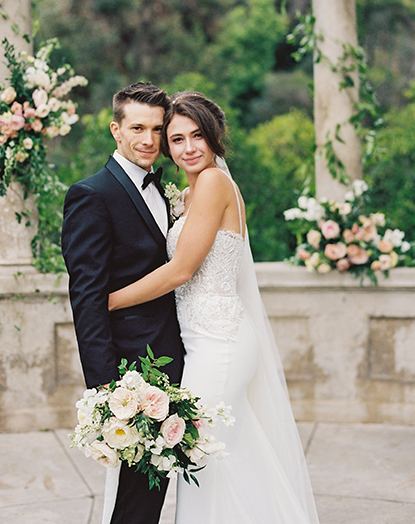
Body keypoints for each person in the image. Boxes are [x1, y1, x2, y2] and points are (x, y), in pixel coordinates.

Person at [107, 91, 320, 524]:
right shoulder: (188, 192)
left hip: (220, 343)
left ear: (214, 136)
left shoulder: (213, 183)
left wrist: (106, 301)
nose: (188, 148)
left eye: (197, 136)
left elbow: (180, 270)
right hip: (202, 343)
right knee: (225, 455)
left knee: (203, 456)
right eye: (177, 139)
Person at [61, 82, 184, 524]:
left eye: (157, 128)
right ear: (116, 129)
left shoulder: (164, 188)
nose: (148, 139)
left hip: (175, 354)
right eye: (137, 127)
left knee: (151, 490)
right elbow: (87, 297)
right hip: (135, 371)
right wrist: (106, 389)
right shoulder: (92, 195)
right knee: (139, 497)